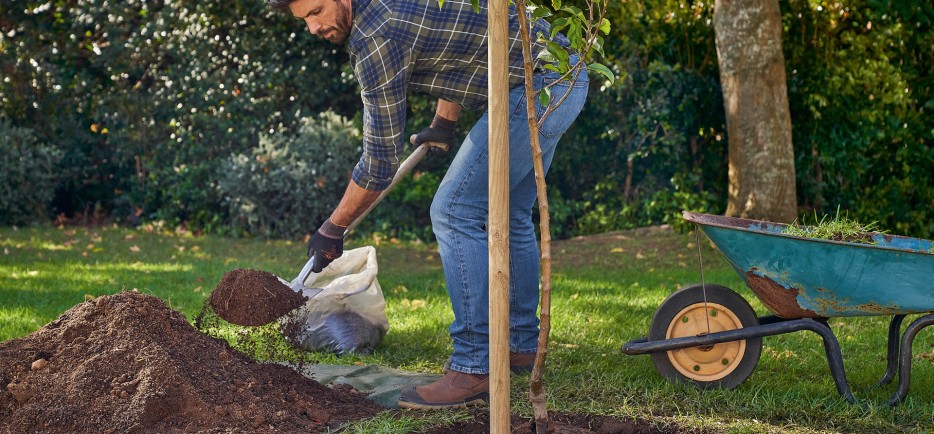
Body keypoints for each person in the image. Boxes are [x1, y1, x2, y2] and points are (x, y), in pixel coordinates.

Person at [268, 0, 589, 409]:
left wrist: (333, 228)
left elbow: (380, 161)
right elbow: (462, 46)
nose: (313, 28)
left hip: (540, 84)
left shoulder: (375, 35)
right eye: (304, 20)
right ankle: (520, 345)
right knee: (508, 214)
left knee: (454, 210)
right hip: (561, 70)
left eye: (316, 12)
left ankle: (475, 367)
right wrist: (445, 120)